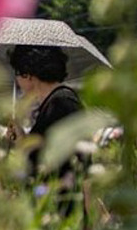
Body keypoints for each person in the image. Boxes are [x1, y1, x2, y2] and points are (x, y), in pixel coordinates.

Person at [8, 45, 85, 216]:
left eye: (17, 74)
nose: (18, 83)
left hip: (62, 212)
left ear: (27, 74)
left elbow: (48, 164)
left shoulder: (60, 105)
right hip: (58, 209)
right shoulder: (57, 103)